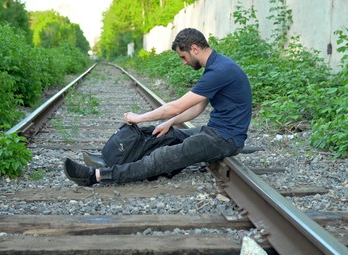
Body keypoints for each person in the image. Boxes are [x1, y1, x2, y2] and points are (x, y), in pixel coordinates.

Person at [63, 27, 252, 186]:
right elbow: (197, 108)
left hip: (225, 140)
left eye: (183, 56)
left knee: (162, 157)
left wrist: (139, 117)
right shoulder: (216, 66)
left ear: (194, 48)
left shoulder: (220, 71)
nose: (184, 62)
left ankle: (95, 176)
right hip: (214, 132)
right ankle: (110, 159)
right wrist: (169, 123)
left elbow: (175, 107)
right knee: (160, 134)